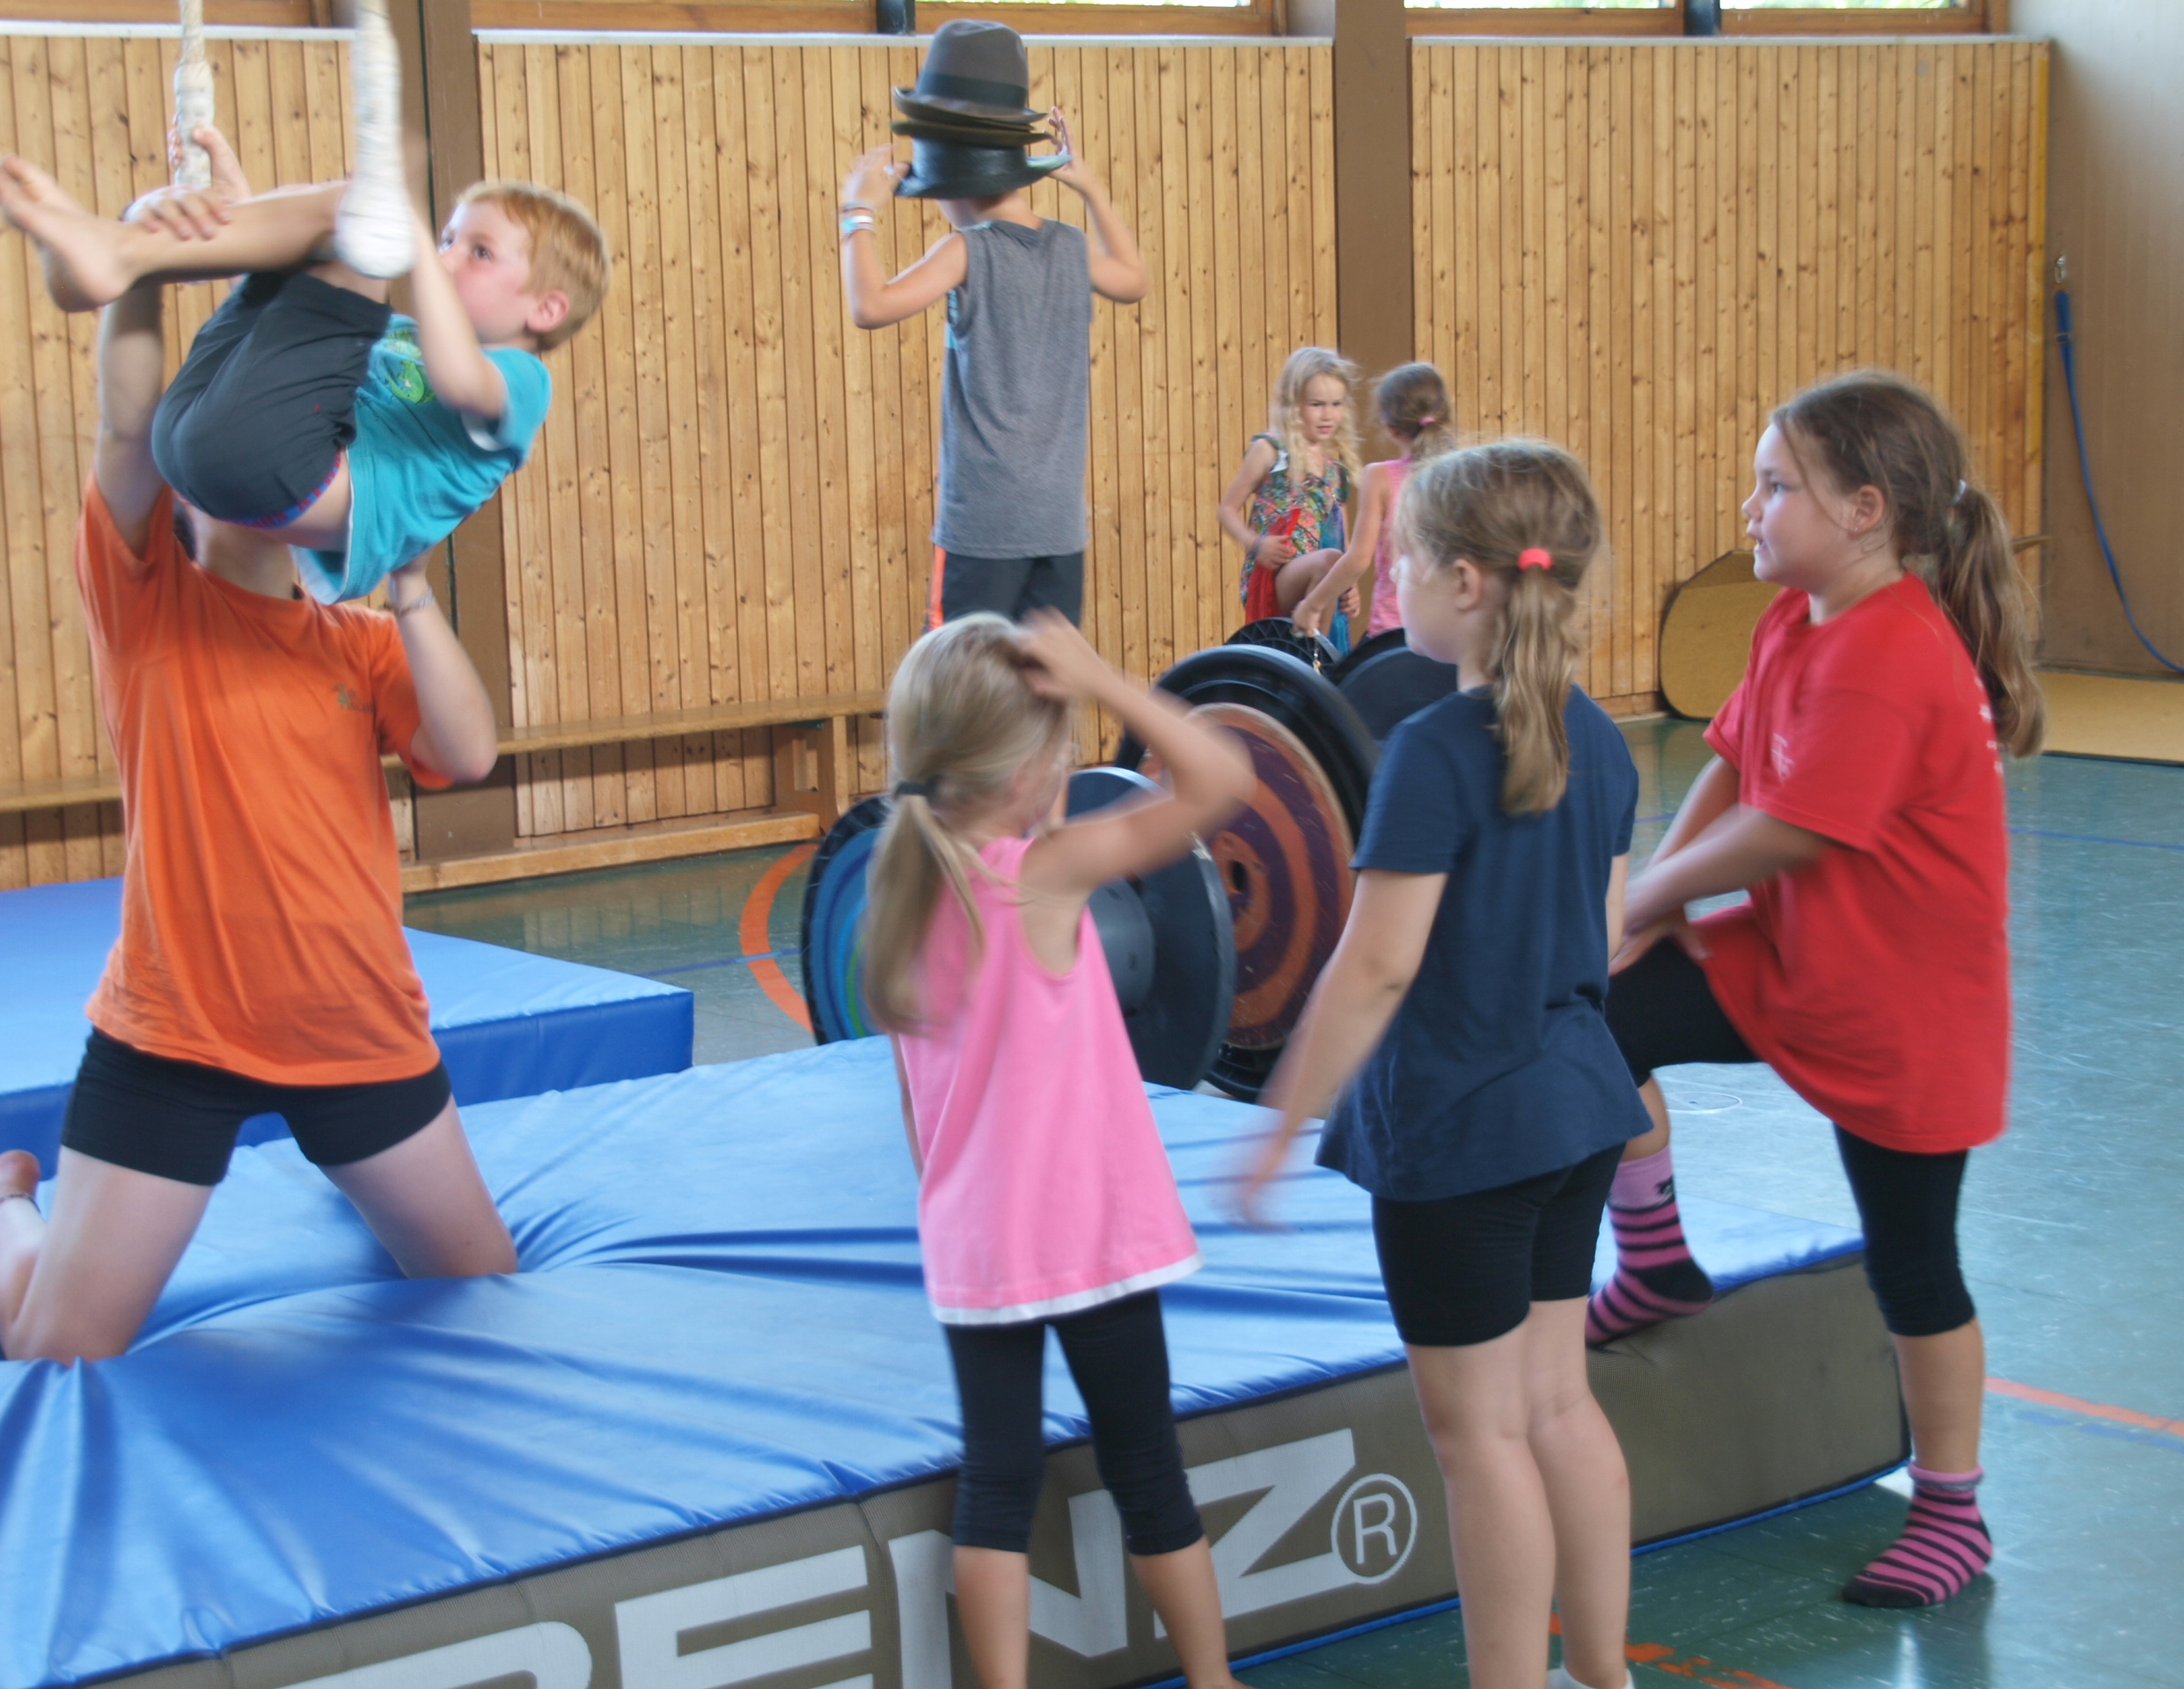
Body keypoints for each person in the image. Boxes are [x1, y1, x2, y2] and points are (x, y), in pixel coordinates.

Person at [0, 135, 517, 1364]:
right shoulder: (144, 600)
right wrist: (138, 269)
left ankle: (350, 1179)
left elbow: (467, 757)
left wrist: (412, 582)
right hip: (173, 1037)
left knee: (485, 1286)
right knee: (52, 1347)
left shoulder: (360, 640)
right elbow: (127, 429)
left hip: (353, 1029)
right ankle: (0, 1203)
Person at [1594, 370, 2043, 1611]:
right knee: (1596, 1017)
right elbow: (1735, 766)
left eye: (1775, 485)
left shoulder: (1894, 649)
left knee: (1914, 1266)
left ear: (1863, 510)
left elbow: (1796, 828)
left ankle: (1952, 1512)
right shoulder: (1796, 618)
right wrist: (1663, 900)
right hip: (1795, 961)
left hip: (1905, 1012)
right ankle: (1655, 1260)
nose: (1750, 507)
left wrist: (1649, 894)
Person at [1240, 442, 1644, 1689]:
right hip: (1576, 1117)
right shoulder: (1600, 737)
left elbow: (1375, 966)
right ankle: (1603, 1672)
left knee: (1479, 1439)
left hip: (1465, 1137)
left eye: (1405, 558)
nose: (1392, 579)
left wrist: (1278, 1124)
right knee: (1557, 1404)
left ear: (1466, 583)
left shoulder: (1432, 746)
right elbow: (1607, 937)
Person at [867, 611, 1255, 1689]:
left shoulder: (895, 894)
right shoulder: (1043, 872)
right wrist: (1104, 679)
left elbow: (916, 1112)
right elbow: (1220, 779)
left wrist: (960, 1216)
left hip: (977, 1247)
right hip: (1090, 1235)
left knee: (995, 1488)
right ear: (1029, 770)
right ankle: (1213, 1683)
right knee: (1148, 1471)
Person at [0, 0, 608, 606]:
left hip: (283, 477)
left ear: (545, 310)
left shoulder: (524, 380)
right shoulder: (397, 333)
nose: (444, 256)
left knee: (354, 218)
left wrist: (405, 223)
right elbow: (279, 356)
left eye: (479, 252)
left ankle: (122, 250)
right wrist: (240, 206)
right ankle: (130, 242)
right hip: (201, 438)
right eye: (446, 238)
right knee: (333, 235)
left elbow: (459, 380)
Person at [839, 19, 1147, 628]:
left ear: (953, 180)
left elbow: (870, 306)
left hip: (983, 529)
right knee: (1047, 681)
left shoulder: (967, 250)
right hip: (1057, 525)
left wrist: (857, 212)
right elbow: (1134, 279)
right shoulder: (1071, 247)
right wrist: (1090, 188)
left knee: (961, 681)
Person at [1293, 361, 1452, 642]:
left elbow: (1358, 559)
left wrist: (1312, 605)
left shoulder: (1381, 477)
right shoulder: (1463, 473)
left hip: (1392, 636)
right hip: (1449, 639)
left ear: (1389, 426)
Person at [1217, 347, 1362, 641]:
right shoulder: (1271, 451)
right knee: (1328, 562)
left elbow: (1343, 542)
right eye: (1316, 404)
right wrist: (1256, 543)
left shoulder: (1335, 471)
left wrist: (1351, 585)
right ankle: (1312, 654)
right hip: (1275, 576)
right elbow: (1227, 509)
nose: (1328, 415)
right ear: (1294, 404)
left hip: (1320, 574)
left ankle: (1319, 654)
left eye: (1336, 404)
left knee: (1332, 562)